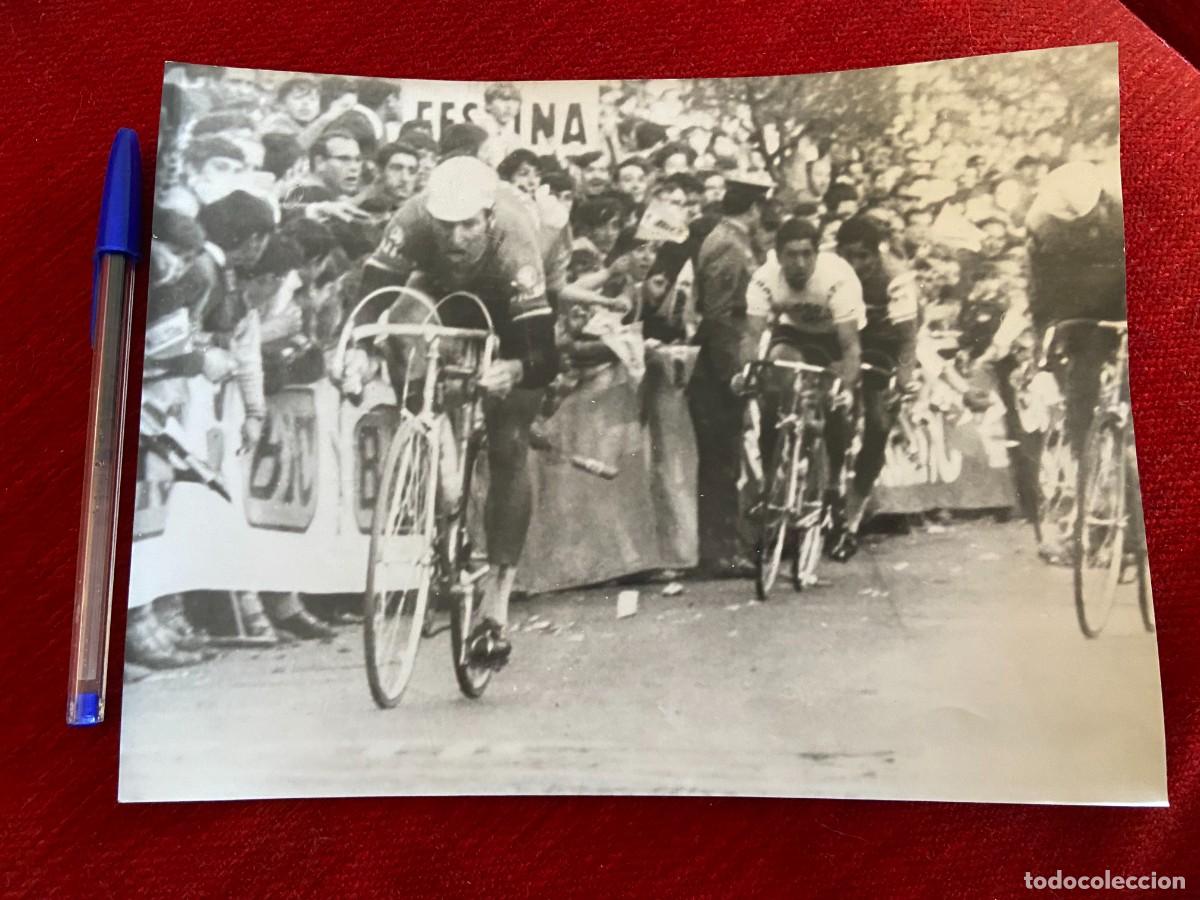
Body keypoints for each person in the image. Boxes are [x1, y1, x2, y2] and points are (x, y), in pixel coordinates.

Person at [360, 157, 559, 669]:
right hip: (440, 293)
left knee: (507, 439)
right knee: (403, 324)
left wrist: (514, 369)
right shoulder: (409, 221)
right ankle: (438, 460)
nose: (455, 237)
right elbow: (371, 297)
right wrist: (358, 349)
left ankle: (496, 605)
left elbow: (543, 356)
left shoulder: (515, 244)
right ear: (428, 215)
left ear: (488, 218)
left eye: (468, 224)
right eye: (444, 225)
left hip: (510, 310)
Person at [744, 218, 865, 542]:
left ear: (816, 254)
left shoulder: (837, 277)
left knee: (834, 408)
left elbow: (851, 346)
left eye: (806, 254)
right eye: (791, 255)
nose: (799, 263)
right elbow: (752, 335)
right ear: (777, 255)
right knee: (773, 382)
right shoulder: (764, 278)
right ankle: (771, 485)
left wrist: (845, 387)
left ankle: (834, 491)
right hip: (794, 333)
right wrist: (746, 373)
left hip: (835, 339)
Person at [689, 171, 773, 577]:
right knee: (720, 461)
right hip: (720, 364)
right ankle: (718, 552)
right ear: (755, 207)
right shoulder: (730, 246)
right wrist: (733, 374)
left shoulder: (729, 241)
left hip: (724, 359)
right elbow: (721, 316)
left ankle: (721, 547)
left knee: (724, 460)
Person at [833, 215, 920, 557]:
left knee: (879, 423)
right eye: (848, 256)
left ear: (876, 253)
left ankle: (852, 517)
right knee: (831, 414)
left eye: (863, 257)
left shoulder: (897, 277)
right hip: (842, 337)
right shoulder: (829, 267)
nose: (855, 265)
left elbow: (908, 340)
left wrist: (904, 378)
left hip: (884, 342)